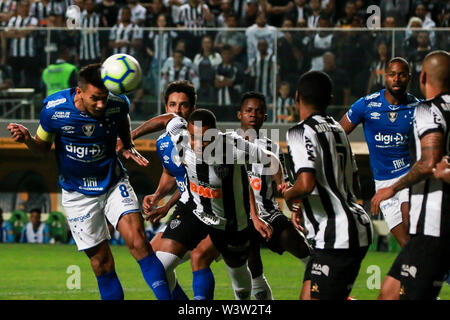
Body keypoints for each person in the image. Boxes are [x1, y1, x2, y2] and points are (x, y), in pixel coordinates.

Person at [7, 63, 172, 300]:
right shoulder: (54, 110)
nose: (101, 104)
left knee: (139, 243)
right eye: (95, 98)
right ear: (79, 92)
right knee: (102, 264)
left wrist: (127, 143)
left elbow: (121, 116)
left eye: (104, 98)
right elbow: (42, 148)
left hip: (113, 183)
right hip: (77, 195)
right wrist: (27, 140)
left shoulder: (117, 103)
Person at [130, 108, 283, 300]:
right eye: (193, 137)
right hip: (196, 212)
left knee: (239, 273)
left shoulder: (232, 146)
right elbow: (169, 119)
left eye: (205, 139)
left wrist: (283, 184)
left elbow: (271, 159)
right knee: (159, 265)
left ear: (216, 135)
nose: (198, 144)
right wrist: (131, 137)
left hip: (230, 222)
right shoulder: (180, 139)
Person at [280, 70, 373, 300]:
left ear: (296, 97)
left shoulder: (299, 131)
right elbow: (354, 184)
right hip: (351, 226)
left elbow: (306, 183)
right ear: (331, 99)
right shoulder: (339, 129)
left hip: (338, 234)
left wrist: (289, 195)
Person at [371, 50, 450, 300]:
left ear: (423, 76)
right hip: (438, 226)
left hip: (433, 223)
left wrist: (392, 188)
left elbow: (428, 162)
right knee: (390, 291)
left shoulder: (427, 109)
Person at [339, 57, 420, 299]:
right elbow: (337, 135)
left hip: (408, 179)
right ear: (384, 77)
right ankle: (420, 286)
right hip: (383, 185)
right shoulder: (367, 105)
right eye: (392, 74)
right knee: (407, 244)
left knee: (410, 223)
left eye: (402, 74)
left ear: (409, 77)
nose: (397, 79)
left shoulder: (418, 107)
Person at [238, 91, 311, 299]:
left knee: (298, 244)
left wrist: (295, 207)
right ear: (239, 115)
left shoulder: (272, 148)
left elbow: (283, 185)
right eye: (249, 111)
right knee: (253, 265)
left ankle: (324, 282)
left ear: (265, 118)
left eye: (259, 111)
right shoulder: (226, 144)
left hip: (269, 212)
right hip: (241, 217)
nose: (253, 115)